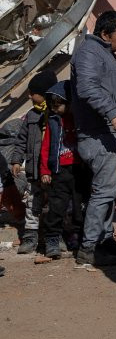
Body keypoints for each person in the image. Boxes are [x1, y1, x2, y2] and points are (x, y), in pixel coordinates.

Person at [70, 10, 116, 267]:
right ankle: (88, 248)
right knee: (103, 192)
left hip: (113, 133)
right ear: (105, 34)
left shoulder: (106, 53)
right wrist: (113, 113)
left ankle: (105, 240)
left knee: (111, 192)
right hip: (100, 134)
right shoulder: (89, 53)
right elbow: (87, 88)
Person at [34, 82, 79, 259]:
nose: (55, 109)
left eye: (58, 105)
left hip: (78, 170)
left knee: (78, 207)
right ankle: (52, 239)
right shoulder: (53, 122)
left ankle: (76, 236)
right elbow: (46, 148)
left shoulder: (79, 120)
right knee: (57, 207)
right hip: (59, 172)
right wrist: (45, 171)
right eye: (52, 105)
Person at [15, 70, 56, 255]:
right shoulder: (31, 116)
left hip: (53, 170)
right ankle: (30, 237)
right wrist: (17, 160)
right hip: (34, 169)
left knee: (56, 203)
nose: (30, 96)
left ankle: (54, 237)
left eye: (33, 92)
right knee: (33, 203)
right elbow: (21, 139)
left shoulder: (57, 114)